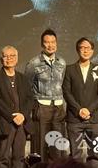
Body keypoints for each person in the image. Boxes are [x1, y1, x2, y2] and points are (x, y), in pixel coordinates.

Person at [25, 29, 67, 162]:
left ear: (56, 43)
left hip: (59, 109)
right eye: (47, 42)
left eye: (53, 42)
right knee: (40, 148)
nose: (50, 45)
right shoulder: (34, 63)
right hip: (42, 108)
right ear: (42, 44)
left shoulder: (62, 62)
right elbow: (27, 88)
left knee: (58, 148)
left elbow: (62, 84)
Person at [62, 38, 98, 168]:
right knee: (76, 156)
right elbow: (66, 92)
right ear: (77, 50)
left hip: (95, 119)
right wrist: (79, 110)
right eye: (82, 48)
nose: (85, 51)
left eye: (88, 48)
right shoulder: (69, 69)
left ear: (92, 51)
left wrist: (89, 110)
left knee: (97, 153)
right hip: (75, 119)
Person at [0, 46, 30, 168]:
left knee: (19, 157)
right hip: (5, 122)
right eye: (6, 56)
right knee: (3, 157)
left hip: (21, 123)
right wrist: (11, 116)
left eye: (12, 56)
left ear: (17, 58)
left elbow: (30, 99)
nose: (9, 58)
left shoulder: (23, 78)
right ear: (1, 59)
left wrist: (22, 115)